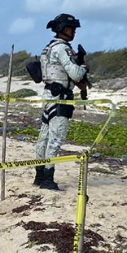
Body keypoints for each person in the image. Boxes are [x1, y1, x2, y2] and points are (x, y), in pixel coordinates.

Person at [33, 13, 89, 191]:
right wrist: (84, 67)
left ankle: (39, 176)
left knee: (44, 137)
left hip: (49, 95)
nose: (74, 32)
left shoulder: (48, 48)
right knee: (55, 139)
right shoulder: (62, 49)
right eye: (72, 29)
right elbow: (76, 74)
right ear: (65, 29)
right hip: (60, 98)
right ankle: (48, 179)